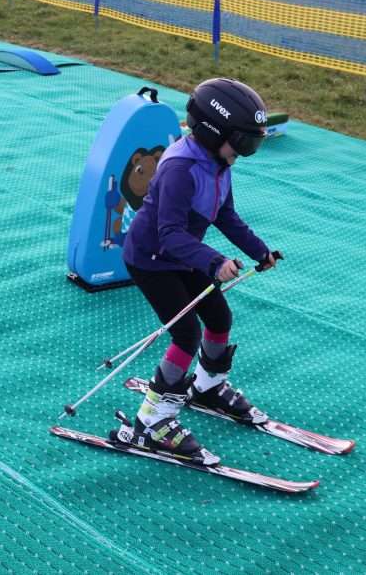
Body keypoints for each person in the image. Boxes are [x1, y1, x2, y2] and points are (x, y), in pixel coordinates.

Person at [118, 78, 278, 466]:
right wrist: (215, 262)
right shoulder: (180, 168)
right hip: (152, 259)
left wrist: (259, 250)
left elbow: (225, 214)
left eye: (252, 144)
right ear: (211, 132)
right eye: (242, 143)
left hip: (185, 255)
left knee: (219, 317)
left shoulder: (219, 163)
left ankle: (207, 387)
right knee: (186, 333)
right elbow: (169, 234)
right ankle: (152, 422)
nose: (244, 153)